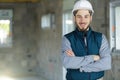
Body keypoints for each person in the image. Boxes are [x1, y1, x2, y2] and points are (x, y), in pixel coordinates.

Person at [61, 0, 111, 80]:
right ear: (74, 18)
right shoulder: (67, 39)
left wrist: (80, 66)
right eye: (79, 16)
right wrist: (93, 58)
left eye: (86, 16)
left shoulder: (100, 38)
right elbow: (67, 62)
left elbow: (106, 63)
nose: (82, 20)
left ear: (91, 18)